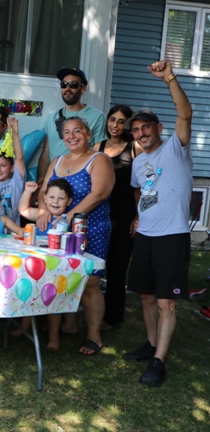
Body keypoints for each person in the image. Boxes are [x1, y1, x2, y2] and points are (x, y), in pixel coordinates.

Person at [122, 60, 193, 388]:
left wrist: (169, 79)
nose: (140, 133)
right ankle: (151, 344)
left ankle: (159, 361)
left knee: (166, 302)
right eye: (135, 130)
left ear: (158, 127)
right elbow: (144, 191)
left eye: (145, 127)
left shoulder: (176, 149)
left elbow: (185, 113)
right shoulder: (138, 162)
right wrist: (140, 214)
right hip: (147, 236)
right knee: (147, 297)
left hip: (172, 236)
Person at [37, 117, 114, 356]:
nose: (71, 136)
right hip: (59, 228)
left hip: (91, 228)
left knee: (90, 281)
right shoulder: (58, 160)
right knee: (59, 274)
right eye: (66, 132)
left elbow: (99, 193)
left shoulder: (99, 159)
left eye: (77, 131)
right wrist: (42, 210)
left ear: (88, 133)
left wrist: (69, 215)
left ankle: (94, 336)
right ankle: (67, 324)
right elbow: (43, 190)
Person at [93, 104, 142, 328]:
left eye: (121, 121)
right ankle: (90, 309)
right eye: (112, 120)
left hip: (125, 215)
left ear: (128, 125)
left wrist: (138, 216)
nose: (115, 125)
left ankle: (113, 317)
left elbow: (143, 186)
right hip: (100, 213)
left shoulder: (135, 148)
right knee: (94, 265)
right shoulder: (98, 146)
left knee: (117, 267)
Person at [16, 179, 74, 349]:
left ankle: (53, 338)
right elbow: (23, 210)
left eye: (61, 199)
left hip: (56, 269)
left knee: (54, 300)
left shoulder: (67, 219)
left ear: (69, 201)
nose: (55, 202)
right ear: (45, 198)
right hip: (36, 267)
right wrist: (28, 192)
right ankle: (24, 326)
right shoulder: (42, 215)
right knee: (29, 293)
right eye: (52, 197)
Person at [37, 67, 107, 183]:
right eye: (64, 84)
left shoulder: (98, 116)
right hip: (55, 179)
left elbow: (99, 150)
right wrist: (41, 181)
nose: (67, 88)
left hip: (81, 179)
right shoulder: (51, 118)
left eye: (73, 85)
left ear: (83, 89)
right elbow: (46, 153)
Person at [0, 116, 26, 224]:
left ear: (12, 168)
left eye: (3, 165)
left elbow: (19, 158)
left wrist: (15, 134)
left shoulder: (16, 182)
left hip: (13, 234)